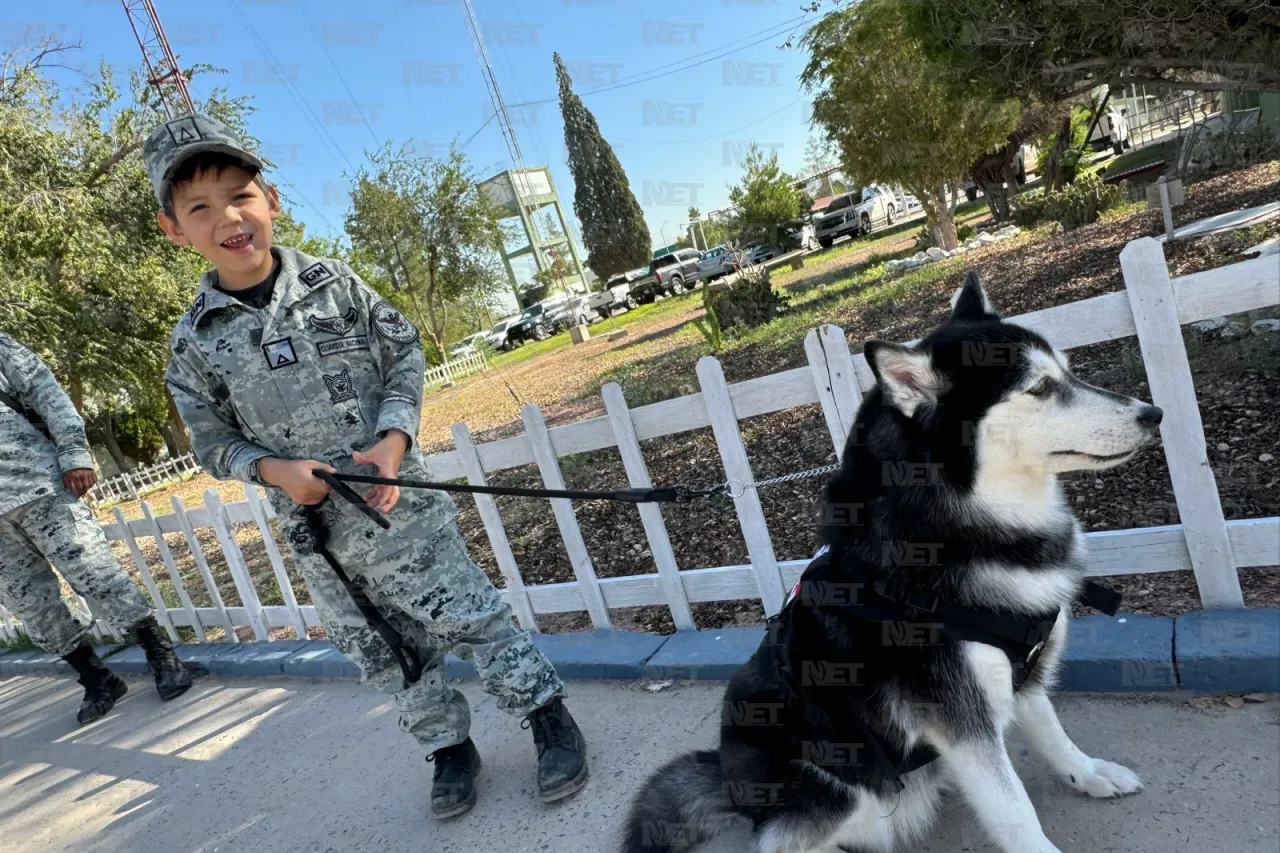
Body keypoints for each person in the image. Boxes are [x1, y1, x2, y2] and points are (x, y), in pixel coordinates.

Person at [145, 113, 588, 819]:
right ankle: (449, 748)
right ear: (174, 229)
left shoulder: (335, 286)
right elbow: (211, 441)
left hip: (397, 506)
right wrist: (270, 469)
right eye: (200, 207)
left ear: (272, 201)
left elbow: (404, 353)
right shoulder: (193, 344)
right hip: (318, 536)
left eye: (241, 195)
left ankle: (548, 717)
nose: (228, 217)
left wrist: (394, 437)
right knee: (383, 647)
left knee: (471, 616)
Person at [0, 335, 192, 725]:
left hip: (39, 486)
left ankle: (159, 653)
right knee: (32, 608)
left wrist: (73, 452)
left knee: (96, 575)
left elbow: (44, 390)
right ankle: (96, 678)